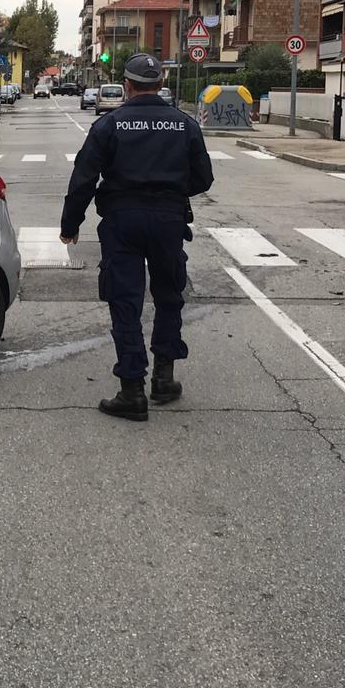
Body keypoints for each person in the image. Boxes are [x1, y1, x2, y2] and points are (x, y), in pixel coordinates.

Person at [60, 53, 214, 422]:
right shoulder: (184, 125)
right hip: (168, 220)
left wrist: (70, 224)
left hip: (122, 220)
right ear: (160, 85)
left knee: (125, 301)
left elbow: (83, 179)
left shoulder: (109, 125)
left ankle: (132, 390)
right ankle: (164, 378)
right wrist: (171, 193)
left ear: (127, 86)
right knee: (168, 295)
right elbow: (204, 178)